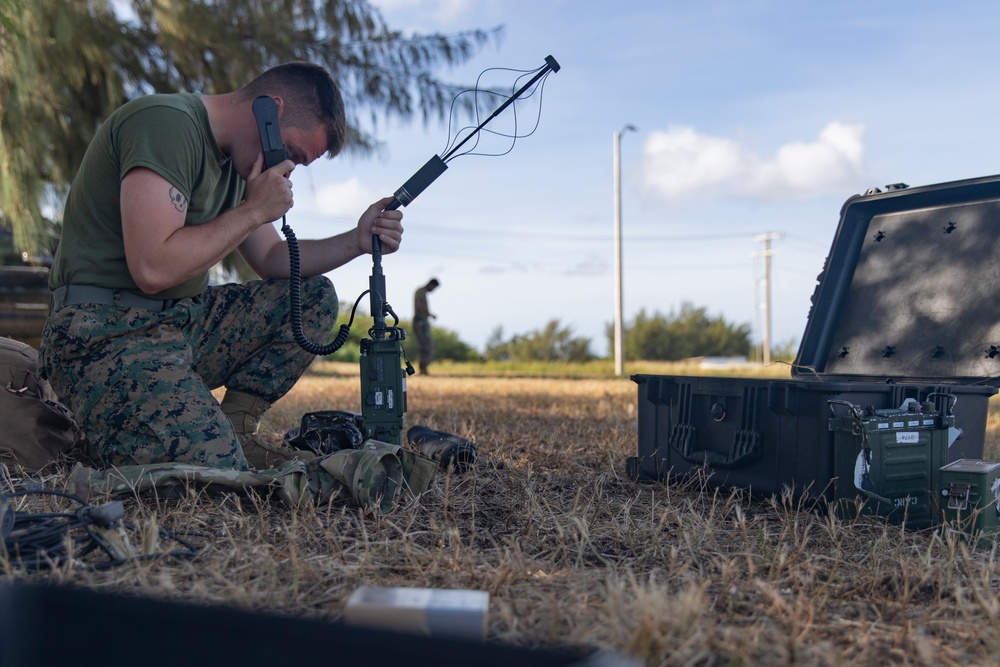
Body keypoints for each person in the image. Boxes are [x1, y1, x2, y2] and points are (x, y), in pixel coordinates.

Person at [39, 62, 404, 472]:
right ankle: (129, 435)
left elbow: (270, 259)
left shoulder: (239, 165)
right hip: (101, 333)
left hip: (177, 324)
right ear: (270, 111)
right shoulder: (165, 124)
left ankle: (237, 432)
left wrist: (356, 239)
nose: (289, 170)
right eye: (294, 154)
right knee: (212, 465)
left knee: (313, 296)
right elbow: (153, 268)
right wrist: (253, 210)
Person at [412, 278, 439, 375]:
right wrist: (429, 314)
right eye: (434, 288)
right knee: (425, 345)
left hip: (421, 322)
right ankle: (422, 368)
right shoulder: (421, 292)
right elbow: (420, 305)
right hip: (420, 322)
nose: (433, 290)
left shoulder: (421, 291)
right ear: (431, 285)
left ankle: (423, 368)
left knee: (425, 344)